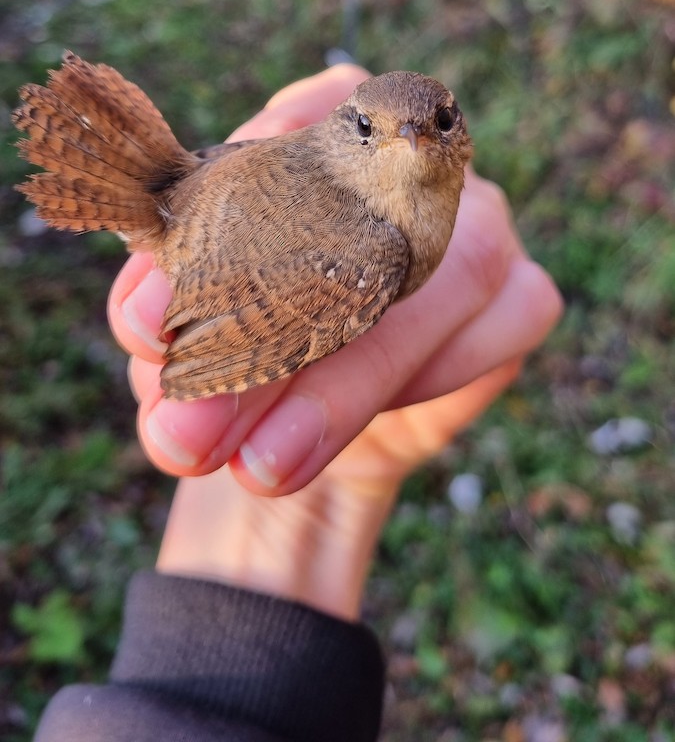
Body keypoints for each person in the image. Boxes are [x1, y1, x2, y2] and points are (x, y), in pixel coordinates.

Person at [34, 64, 563, 742]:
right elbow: (234, 338)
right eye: (368, 128)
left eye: (439, 123)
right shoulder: (371, 247)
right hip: (198, 225)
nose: (411, 140)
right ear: (345, 125)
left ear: (459, 130)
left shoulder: (404, 205)